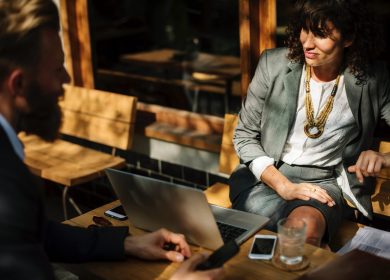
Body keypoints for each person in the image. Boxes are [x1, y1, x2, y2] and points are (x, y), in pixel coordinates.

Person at [0, 0, 224, 279]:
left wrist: (127, 243)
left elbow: (34, 233)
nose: (67, 79)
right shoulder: (7, 186)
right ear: (18, 85)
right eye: (57, 69)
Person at [230, 0, 390, 248]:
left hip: (322, 183)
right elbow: (244, 136)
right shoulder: (273, 64)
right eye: (305, 30)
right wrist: (284, 186)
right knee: (263, 245)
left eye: (321, 35)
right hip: (266, 179)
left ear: (348, 38)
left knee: (301, 236)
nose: (307, 43)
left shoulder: (372, 78)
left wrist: (384, 157)